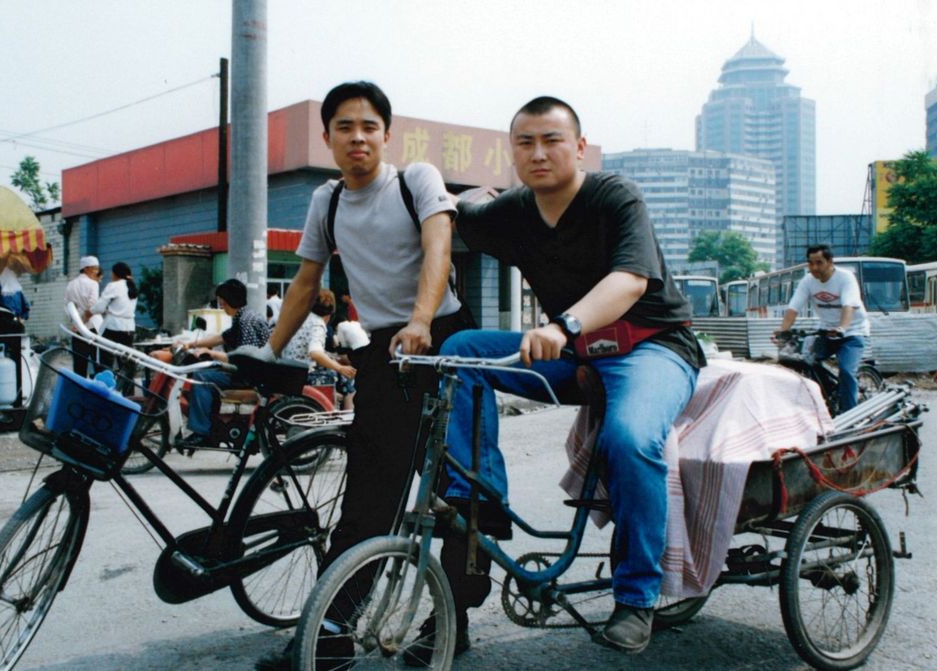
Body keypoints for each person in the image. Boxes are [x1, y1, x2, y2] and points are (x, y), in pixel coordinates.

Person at [439, 96, 706, 657]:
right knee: (462, 351)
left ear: (579, 147)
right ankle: (477, 497)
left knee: (629, 439)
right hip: (579, 358)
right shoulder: (512, 211)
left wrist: (565, 326)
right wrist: (465, 199)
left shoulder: (614, 196)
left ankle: (637, 597)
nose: (538, 153)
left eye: (552, 140)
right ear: (511, 152)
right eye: (525, 143)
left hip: (651, 349)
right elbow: (459, 212)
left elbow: (631, 280)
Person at [254, 80, 469, 671]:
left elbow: (438, 249)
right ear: (326, 137)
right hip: (382, 352)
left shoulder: (415, 180)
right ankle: (327, 637)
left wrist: (421, 320)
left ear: (386, 135)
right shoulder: (325, 201)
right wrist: (270, 353)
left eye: (369, 126)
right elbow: (304, 282)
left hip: (447, 341)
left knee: (461, 488)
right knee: (370, 493)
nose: (357, 137)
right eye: (344, 127)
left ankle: (455, 620)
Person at [175, 278, 272, 449]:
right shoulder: (244, 316)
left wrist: (211, 353)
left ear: (228, 300)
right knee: (209, 369)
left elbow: (243, 358)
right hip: (254, 370)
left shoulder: (246, 321)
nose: (220, 303)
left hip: (251, 375)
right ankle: (211, 424)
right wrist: (191, 344)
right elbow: (222, 337)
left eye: (222, 300)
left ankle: (201, 432)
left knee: (201, 378)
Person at [775, 244, 870, 413]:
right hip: (826, 331)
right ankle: (827, 394)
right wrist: (783, 332)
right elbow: (793, 308)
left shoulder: (845, 278)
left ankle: (850, 415)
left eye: (819, 263)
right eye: (811, 263)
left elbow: (849, 305)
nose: (814, 268)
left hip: (852, 332)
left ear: (830, 262)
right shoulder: (808, 281)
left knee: (846, 371)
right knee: (802, 360)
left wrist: (842, 327)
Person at [280, 288, 356, 396]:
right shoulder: (317, 324)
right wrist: (340, 368)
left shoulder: (299, 318)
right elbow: (315, 352)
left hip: (289, 370)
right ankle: (346, 411)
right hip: (304, 374)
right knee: (347, 381)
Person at [91, 262, 139, 395]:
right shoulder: (132, 286)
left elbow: (99, 307)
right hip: (129, 328)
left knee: (105, 362)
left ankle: (103, 391)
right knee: (126, 364)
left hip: (112, 327)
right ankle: (128, 395)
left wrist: (92, 309)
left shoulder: (113, 286)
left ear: (116, 274)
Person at [64, 256, 102, 377]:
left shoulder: (71, 284)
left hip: (77, 329)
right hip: (93, 328)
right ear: (86, 269)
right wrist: (83, 322)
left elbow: (67, 306)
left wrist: (75, 322)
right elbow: (93, 306)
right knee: (98, 363)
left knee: (79, 365)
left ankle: (80, 392)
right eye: (94, 269)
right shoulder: (93, 284)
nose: (96, 272)